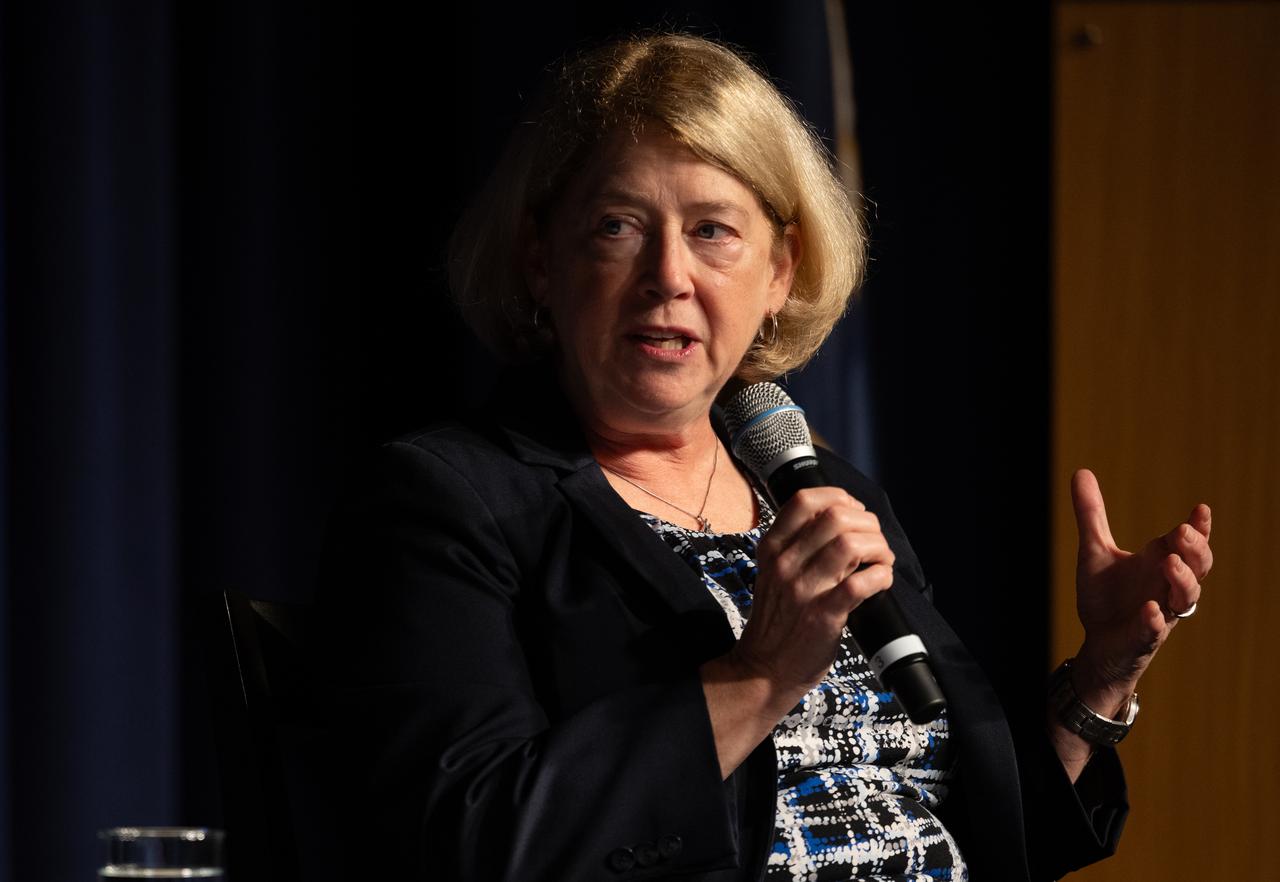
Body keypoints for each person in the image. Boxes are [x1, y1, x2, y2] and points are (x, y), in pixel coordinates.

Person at [314, 33, 1213, 882]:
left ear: (780, 271)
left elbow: (986, 831)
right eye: (618, 226)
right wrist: (758, 677)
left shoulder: (826, 492)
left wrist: (1102, 674)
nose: (669, 275)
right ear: (541, 259)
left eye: (712, 230)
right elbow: (469, 840)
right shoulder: (449, 500)